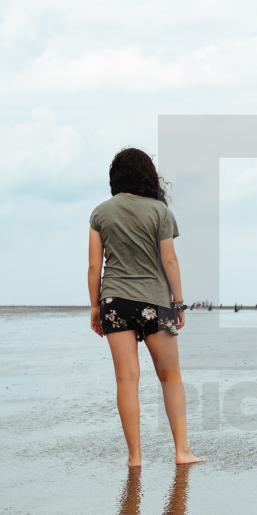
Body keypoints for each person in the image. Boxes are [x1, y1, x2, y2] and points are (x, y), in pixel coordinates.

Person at [88, 147, 202, 467]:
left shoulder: (100, 213)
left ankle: (134, 458)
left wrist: (95, 306)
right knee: (170, 376)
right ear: (148, 176)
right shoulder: (159, 212)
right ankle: (181, 452)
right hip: (155, 301)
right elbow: (169, 259)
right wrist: (178, 302)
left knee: (126, 380)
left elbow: (94, 266)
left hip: (114, 300)